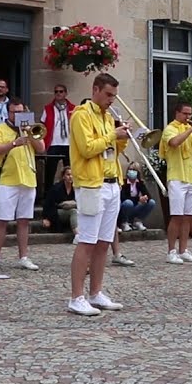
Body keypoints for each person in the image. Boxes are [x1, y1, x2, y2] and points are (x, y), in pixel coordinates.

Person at [66, 72, 128, 316]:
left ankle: (96, 292)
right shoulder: (81, 115)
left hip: (112, 182)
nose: (112, 100)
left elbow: (112, 148)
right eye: (108, 95)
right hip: (92, 184)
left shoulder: (106, 116)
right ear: (95, 90)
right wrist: (113, 134)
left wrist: (122, 137)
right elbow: (88, 148)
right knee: (87, 241)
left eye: (114, 95)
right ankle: (76, 296)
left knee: (104, 242)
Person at [0, 96, 44, 273]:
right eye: (14, 112)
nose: (17, 115)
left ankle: (23, 257)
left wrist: (29, 132)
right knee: (2, 220)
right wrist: (13, 143)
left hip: (28, 179)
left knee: (24, 221)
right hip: (8, 179)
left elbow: (41, 148)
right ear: (8, 112)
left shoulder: (30, 129)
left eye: (20, 112)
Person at [159, 101, 192, 264]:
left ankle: (183, 250)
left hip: (191, 177)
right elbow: (174, 142)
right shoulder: (170, 129)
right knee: (177, 216)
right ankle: (171, 251)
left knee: (188, 216)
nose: (189, 117)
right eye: (186, 114)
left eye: (190, 114)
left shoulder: (191, 131)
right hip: (177, 177)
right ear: (177, 113)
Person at [41, 84, 75, 191]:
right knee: (50, 172)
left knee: (71, 171)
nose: (58, 94)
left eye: (61, 91)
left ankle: (70, 193)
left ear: (65, 93)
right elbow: (42, 125)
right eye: (56, 92)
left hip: (69, 144)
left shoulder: (73, 108)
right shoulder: (48, 108)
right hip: (53, 143)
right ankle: (47, 195)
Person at [42, 164, 77, 234]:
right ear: (63, 176)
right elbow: (48, 204)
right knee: (73, 211)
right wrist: (46, 218)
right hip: (57, 212)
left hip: (74, 211)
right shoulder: (56, 188)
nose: (71, 177)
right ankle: (77, 234)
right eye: (68, 175)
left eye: (72, 175)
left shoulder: (76, 188)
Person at [119, 164, 155, 231]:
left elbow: (148, 196)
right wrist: (138, 199)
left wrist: (145, 198)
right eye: (130, 169)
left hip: (135, 207)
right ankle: (124, 222)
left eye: (134, 170)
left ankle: (137, 221)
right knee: (128, 203)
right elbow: (123, 197)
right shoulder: (124, 182)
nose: (132, 172)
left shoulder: (140, 183)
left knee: (151, 202)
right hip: (125, 208)